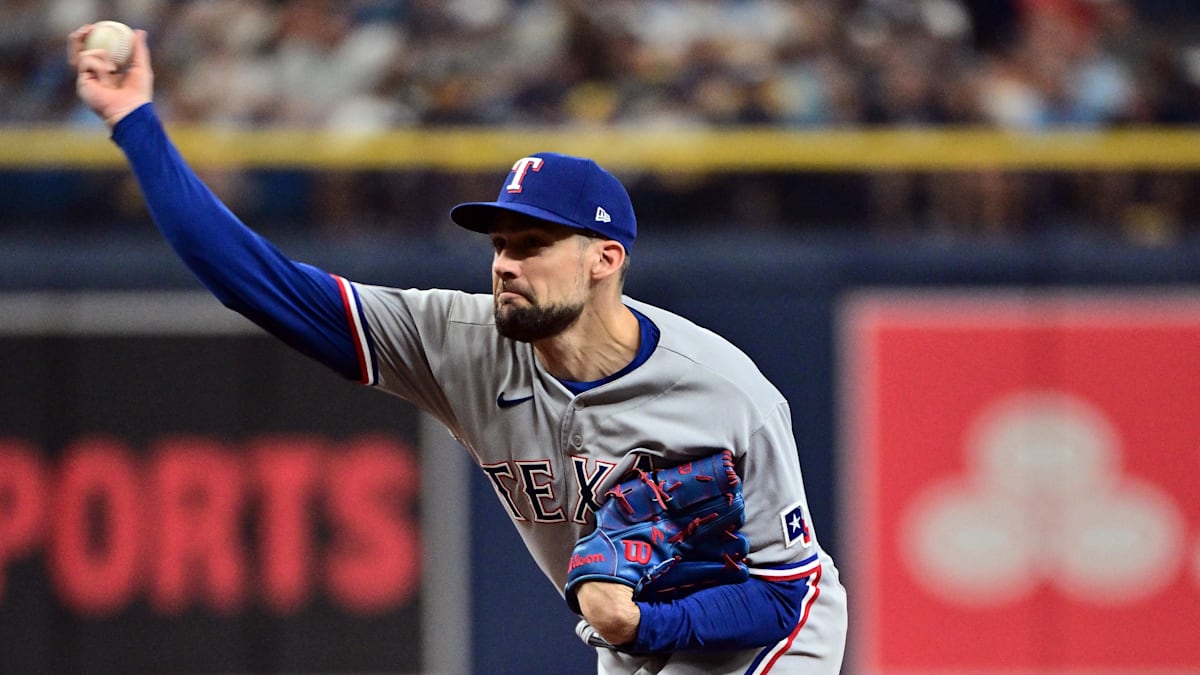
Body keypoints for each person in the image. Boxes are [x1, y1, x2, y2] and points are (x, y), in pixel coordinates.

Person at [69, 25, 848, 674]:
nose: (505, 261)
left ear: (605, 259)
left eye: (534, 242)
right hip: (630, 630)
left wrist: (638, 624)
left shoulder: (722, 390)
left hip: (770, 633)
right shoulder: (459, 341)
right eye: (500, 242)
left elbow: (784, 588)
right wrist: (135, 120)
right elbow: (254, 282)